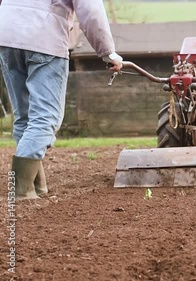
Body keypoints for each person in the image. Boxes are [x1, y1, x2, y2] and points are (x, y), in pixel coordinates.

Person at [0, 0, 123, 200]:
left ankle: (37, 188)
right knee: (44, 118)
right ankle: (21, 192)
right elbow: (90, 9)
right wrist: (107, 52)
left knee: (25, 117)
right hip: (44, 36)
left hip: (5, 35)